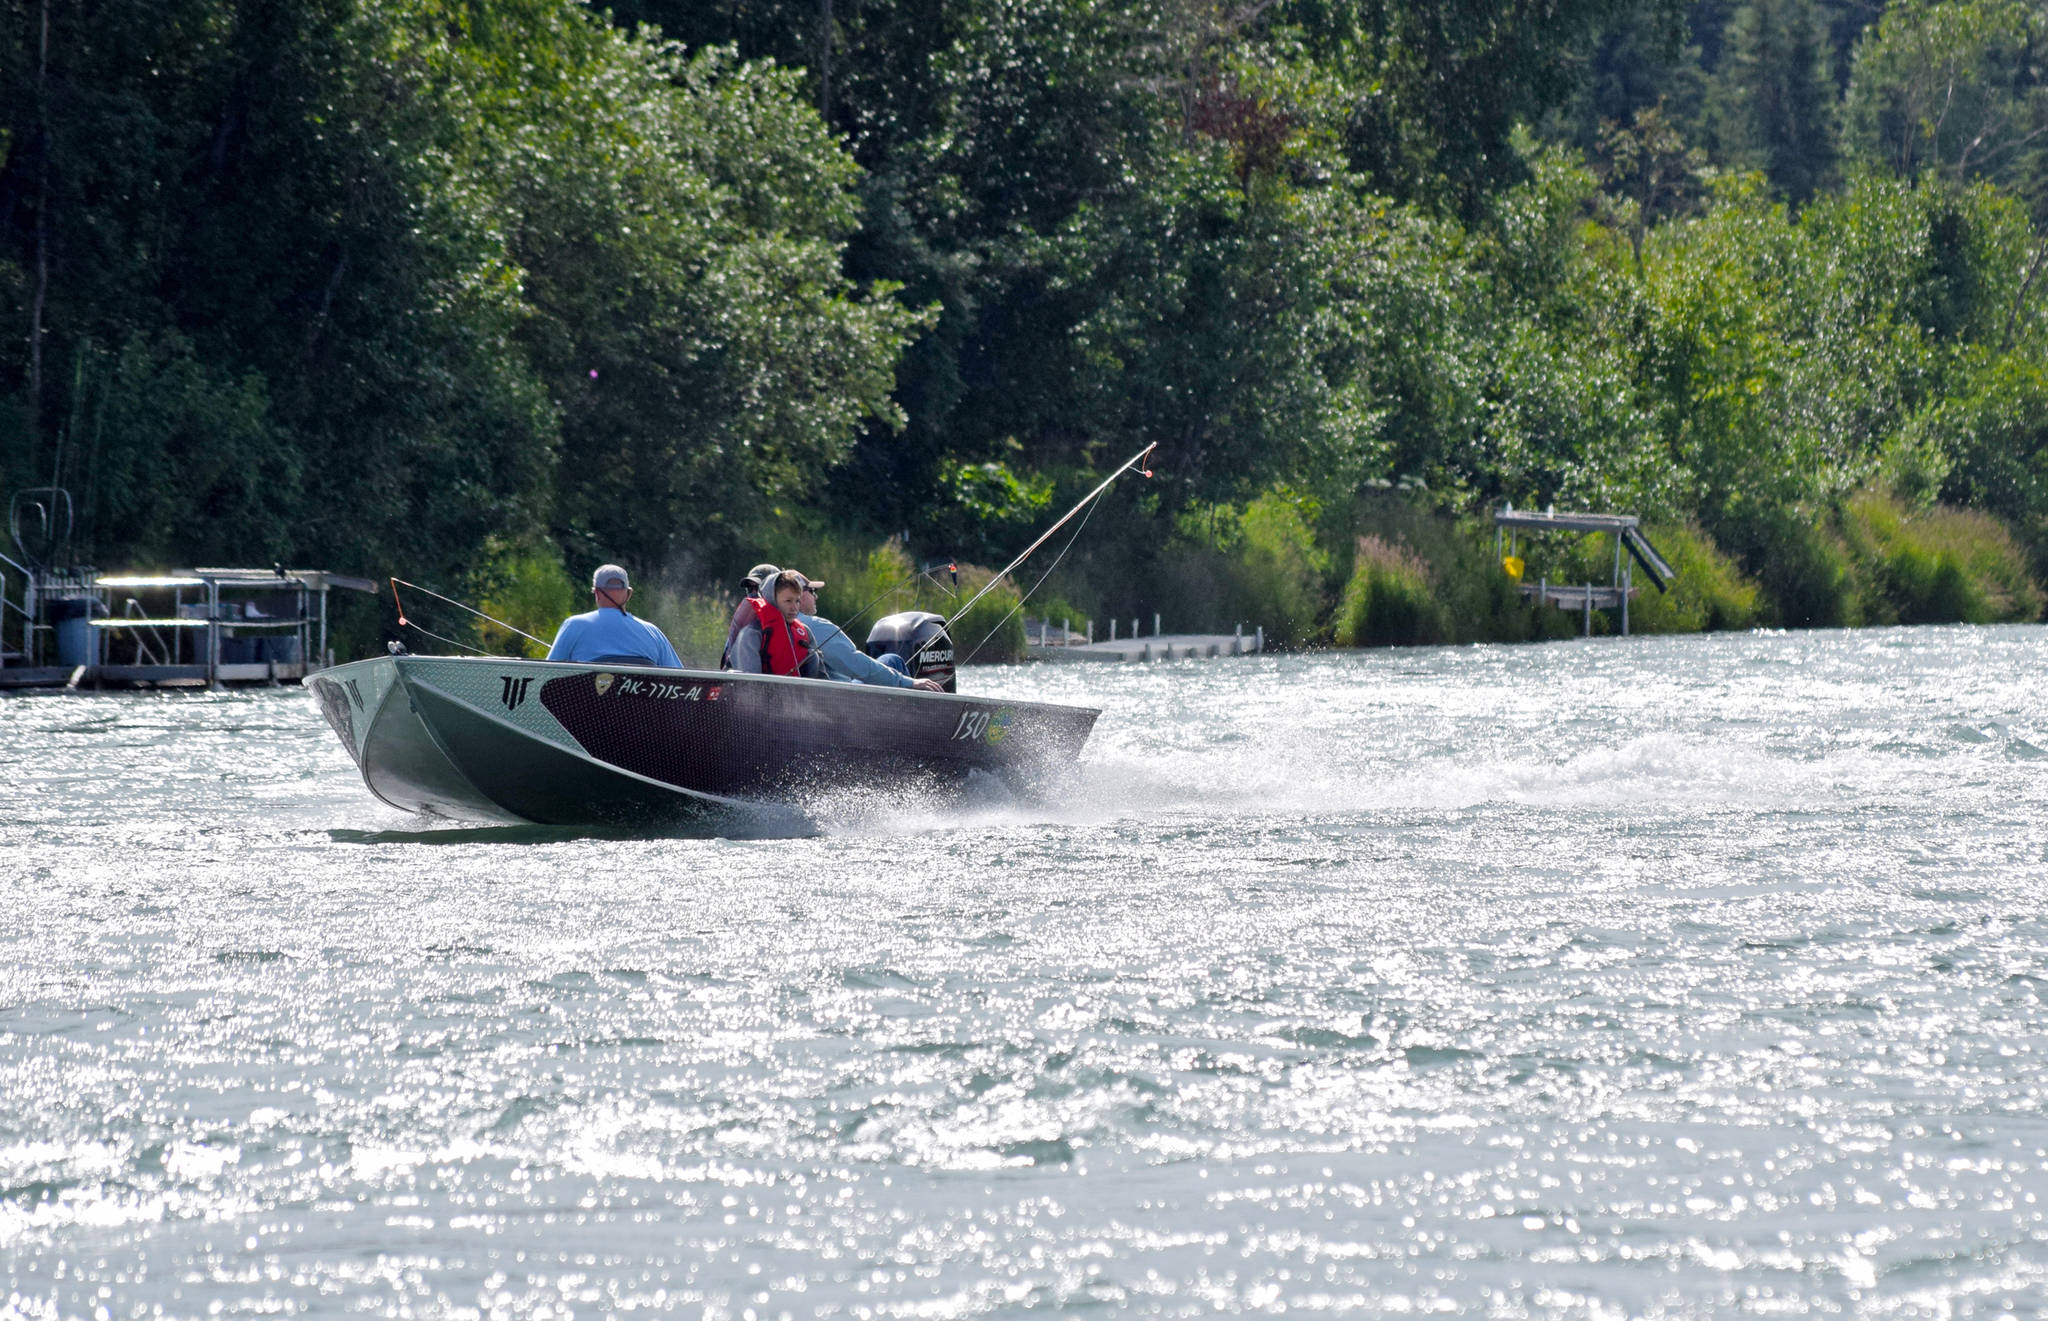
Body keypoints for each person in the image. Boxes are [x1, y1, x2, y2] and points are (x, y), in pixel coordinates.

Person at [793, 572, 943, 691]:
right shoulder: (813, 626)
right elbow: (857, 664)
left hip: (811, 700)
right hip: (839, 701)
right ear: (797, 594)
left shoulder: (777, 626)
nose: (816, 596)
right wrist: (908, 683)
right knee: (892, 660)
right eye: (812, 591)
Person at [546, 564, 683, 667]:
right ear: (628, 594)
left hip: (587, 704)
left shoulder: (574, 625)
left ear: (597, 593)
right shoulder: (653, 632)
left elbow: (546, 671)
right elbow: (678, 677)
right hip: (639, 705)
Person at [730, 569, 823, 677]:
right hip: (758, 692)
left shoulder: (805, 632)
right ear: (772, 600)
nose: (794, 608)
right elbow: (749, 684)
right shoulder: (751, 634)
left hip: (798, 693)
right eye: (788, 601)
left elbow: (823, 678)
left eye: (797, 601)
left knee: (813, 656)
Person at [719, 563, 781, 669]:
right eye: (749, 588)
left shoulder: (790, 620)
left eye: (758, 587)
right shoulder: (746, 621)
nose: (753, 592)